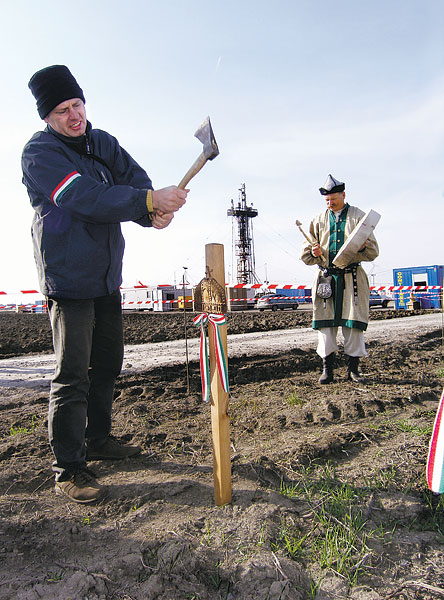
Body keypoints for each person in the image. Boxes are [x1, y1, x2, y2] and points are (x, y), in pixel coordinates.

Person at [22, 65, 188, 504]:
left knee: (108, 363)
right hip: (68, 277)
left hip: (104, 276)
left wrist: (150, 211)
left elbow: (133, 179)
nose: (74, 116)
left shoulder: (102, 143)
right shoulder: (39, 154)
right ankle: (69, 468)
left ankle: (99, 440)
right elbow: (83, 197)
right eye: (62, 111)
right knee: (72, 373)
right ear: (47, 117)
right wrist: (145, 202)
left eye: (77, 105)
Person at [300, 174, 379, 385]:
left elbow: (373, 251)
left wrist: (362, 247)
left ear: (343, 195)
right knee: (326, 327)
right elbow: (305, 252)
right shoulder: (317, 220)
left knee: (353, 326)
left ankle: (354, 370)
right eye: (327, 200)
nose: (330, 203)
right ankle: (327, 370)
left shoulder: (359, 217)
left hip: (352, 279)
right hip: (326, 279)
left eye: (334, 198)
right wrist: (314, 252)